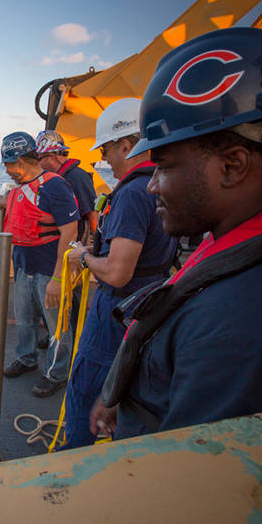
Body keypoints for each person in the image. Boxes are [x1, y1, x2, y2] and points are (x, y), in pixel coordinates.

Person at [90, 27, 262, 454]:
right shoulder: (258, 248)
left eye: (163, 166)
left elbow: (199, 489)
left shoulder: (251, 331)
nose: (152, 186)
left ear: (233, 166)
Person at [58, 98, 178, 449]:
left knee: (87, 392)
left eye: (107, 150)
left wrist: (82, 256)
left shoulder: (129, 196)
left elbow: (117, 272)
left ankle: (71, 461)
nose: (105, 160)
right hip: (145, 309)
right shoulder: (159, 185)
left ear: (127, 145)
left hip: (116, 315)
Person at [0, 131, 79, 397]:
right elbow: (21, 199)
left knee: (57, 325)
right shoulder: (19, 188)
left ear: (24, 160)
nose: (8, 171)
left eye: (10, 165)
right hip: (24, 265)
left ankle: (56, 373)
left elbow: (70, 233)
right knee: (25, 319)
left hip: (49, 268)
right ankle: (26, 358)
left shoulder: (55, 186)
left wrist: (59, 279)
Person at [34, 130, 98, 244]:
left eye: (39, 159)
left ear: (53, 156)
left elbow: (92, 214)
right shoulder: (52, 178)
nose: (37, 164)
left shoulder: (77, 177)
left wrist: (99, 247)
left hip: (73, 246)